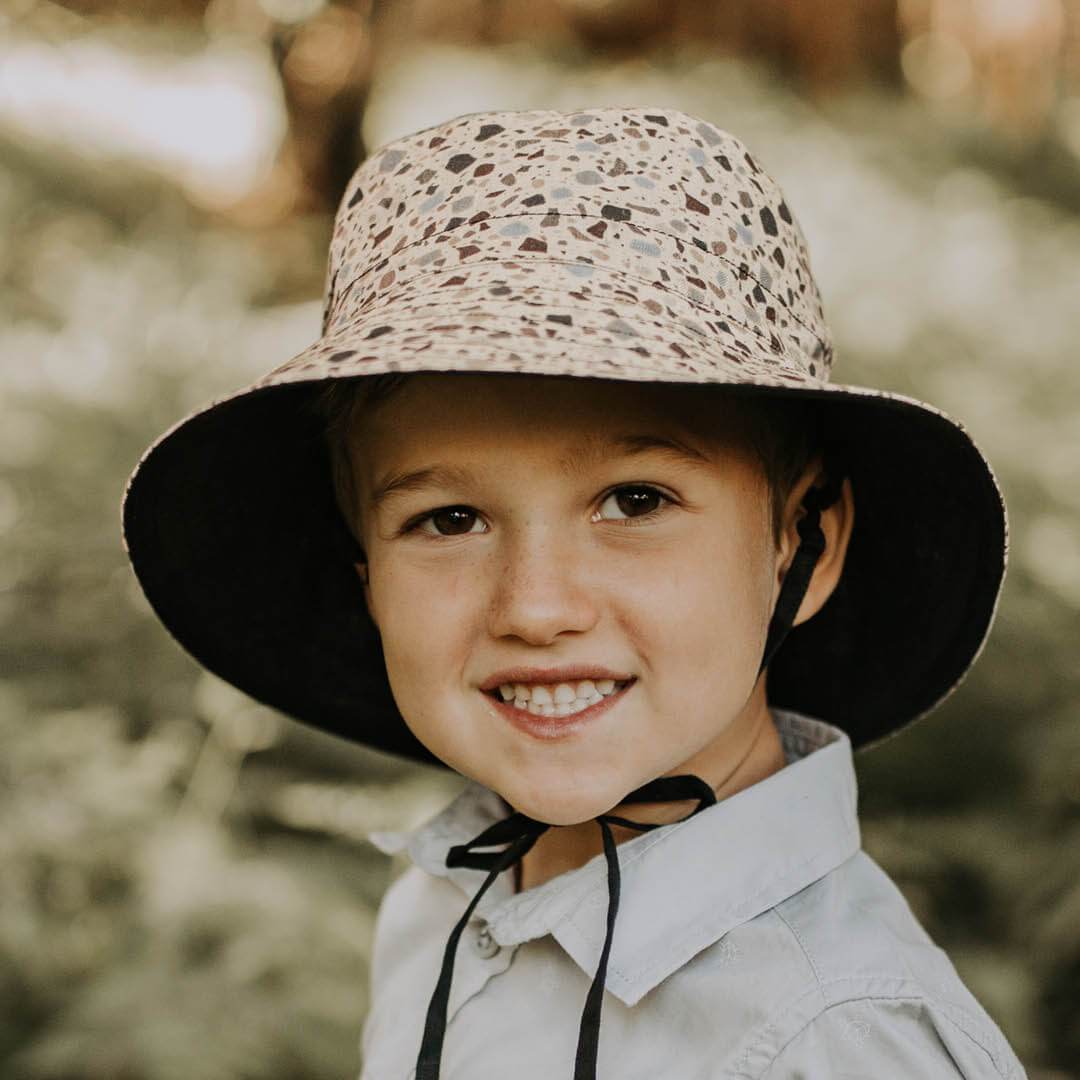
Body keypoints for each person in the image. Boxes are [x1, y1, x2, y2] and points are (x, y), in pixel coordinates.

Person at [122, 106, 1027, 1078]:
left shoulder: (836, 1040)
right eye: (450, 519)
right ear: (367, 576)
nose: (537, 607)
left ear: (803, 544)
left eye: (634, 501)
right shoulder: (442, 906)